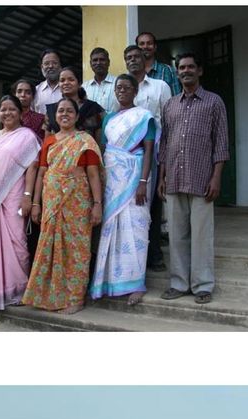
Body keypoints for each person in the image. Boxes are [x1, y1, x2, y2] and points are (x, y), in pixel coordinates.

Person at [158, 52, 230, 304]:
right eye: (181, 68)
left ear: (200, 71)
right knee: (177, 235)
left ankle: (202, 285)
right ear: (177, 73)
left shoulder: (213, 102)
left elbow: (221, 143)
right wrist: (162, 177)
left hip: (202, 179)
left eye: (190, 67)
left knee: (201, 235)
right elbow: (164, 143)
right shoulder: (170, 105)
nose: (185, 71)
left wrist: (217, 177)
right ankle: (179, 283)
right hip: (174, 178)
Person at [23, 98, 103, 314]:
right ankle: (49, 296)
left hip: (77, 203)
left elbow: (94, 174)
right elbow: (41, 173)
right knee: (50, 247)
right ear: (55, 116)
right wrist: (36, 203)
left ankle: (76, 298)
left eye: (69, 111)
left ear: (77, 117)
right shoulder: (49, 141)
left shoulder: (85, 141)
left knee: (77, 250)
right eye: (60, 111)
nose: (65, 114)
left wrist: (97, 204)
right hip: (51, 202)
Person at [89, 74, 155, 306]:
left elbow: (148, 151)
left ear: (135, 91)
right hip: (112, 183)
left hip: (134, 180)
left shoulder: (144, 117)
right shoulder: (108, 119)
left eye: (127, 87)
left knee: (135, 230)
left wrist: (143, 182)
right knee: (111, 229)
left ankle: (136, 283)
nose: (122, 91)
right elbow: (104, 150)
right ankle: (108, 281)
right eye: (119, 87)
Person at [0, 95, 40, 311]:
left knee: (18, 242)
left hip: (15, 194)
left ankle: (19, 289)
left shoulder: (27, 136)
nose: (7, 113)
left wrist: (28, 195)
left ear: (20, 113)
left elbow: (32, 167)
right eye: (3, 109)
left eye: (12, 109)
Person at [123, 44, 171, 272]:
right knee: (131, 207)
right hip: (127, 159)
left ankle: (154, 255)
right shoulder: (121, 87)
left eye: (136, 56)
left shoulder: (160, 86)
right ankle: (132, 256)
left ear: (145, 59)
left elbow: (169, 121)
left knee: (152, 207)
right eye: (128, 57)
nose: (133, 60)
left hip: (154, 154)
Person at [47, 67, 104, 143]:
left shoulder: (93, 108)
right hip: (57, 154)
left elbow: (99, 141)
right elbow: (47, 142)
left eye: (71, 79)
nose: (66, 83)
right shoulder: (51, 111)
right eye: (62, 80)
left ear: (79, 84)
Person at [138, 30, 181, 96]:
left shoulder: (169, 70)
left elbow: (177, 99)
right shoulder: (134, 73)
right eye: (142, 44)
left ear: (155, 47)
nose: (145, 46)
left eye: (149, 43)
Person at [84, 47, 117, 112]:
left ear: (108, 62)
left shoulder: (118, 83)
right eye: (95, 60)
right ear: (91, 63)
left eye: (102, 60)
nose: (98, 63)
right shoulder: (84, 87)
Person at [32, 48, 63, 114]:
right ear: (42, 67)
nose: (51, 66)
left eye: (54, 63)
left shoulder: (68, 89)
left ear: (60, 66)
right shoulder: (36, 91)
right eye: (46, 63)